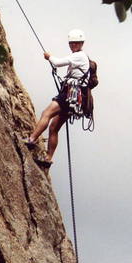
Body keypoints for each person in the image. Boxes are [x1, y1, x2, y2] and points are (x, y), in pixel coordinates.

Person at [24, 29, 89, 168]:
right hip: (74, 98)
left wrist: (49, 57)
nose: (73, 46)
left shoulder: (80, 56)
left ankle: (31, 139)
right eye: (71, 43)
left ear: (81, 43)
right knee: (54, 127)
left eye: (76, 43)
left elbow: (58, 62)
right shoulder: (80, 57)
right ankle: (48, 158)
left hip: (69, 95)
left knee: (46, 114)